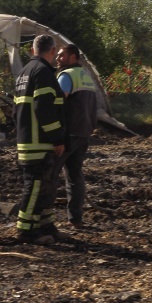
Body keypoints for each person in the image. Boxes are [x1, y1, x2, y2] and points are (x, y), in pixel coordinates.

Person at [13, 34, 67, 245]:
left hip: (28, 140)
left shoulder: (24, 73)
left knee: (45, 187)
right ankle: (25, 231)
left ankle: (46, 226)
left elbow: (15, 112)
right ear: (52, 51)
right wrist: (57, 138)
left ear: (33, 50)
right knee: (35, 187)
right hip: (39, 142)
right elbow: (44, 108)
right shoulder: (43, 73)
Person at [54, 44, 97, 229]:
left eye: (62, 55)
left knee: (49, 175)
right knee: (75, 177)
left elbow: (58, 101)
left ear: (73, 57)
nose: (58, 58)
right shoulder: (87, 77)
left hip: (68, 134)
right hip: (83, 134)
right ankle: (75, 219)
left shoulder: (66, 76)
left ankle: (43, 220)